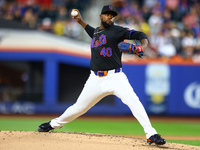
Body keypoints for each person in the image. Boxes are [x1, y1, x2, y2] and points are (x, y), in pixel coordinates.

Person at [37, 5, 166, 145]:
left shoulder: (117, 31)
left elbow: (141, 35)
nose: (110, 17)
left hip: (115, 77)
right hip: (95, 79)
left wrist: (143, 47)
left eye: (112, 15)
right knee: (78, 108)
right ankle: (53, 124)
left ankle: (151, 134)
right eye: (107, 14)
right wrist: (80, 21)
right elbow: (91, 31)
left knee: (134, 102)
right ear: (101, 16)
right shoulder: (97, 32)